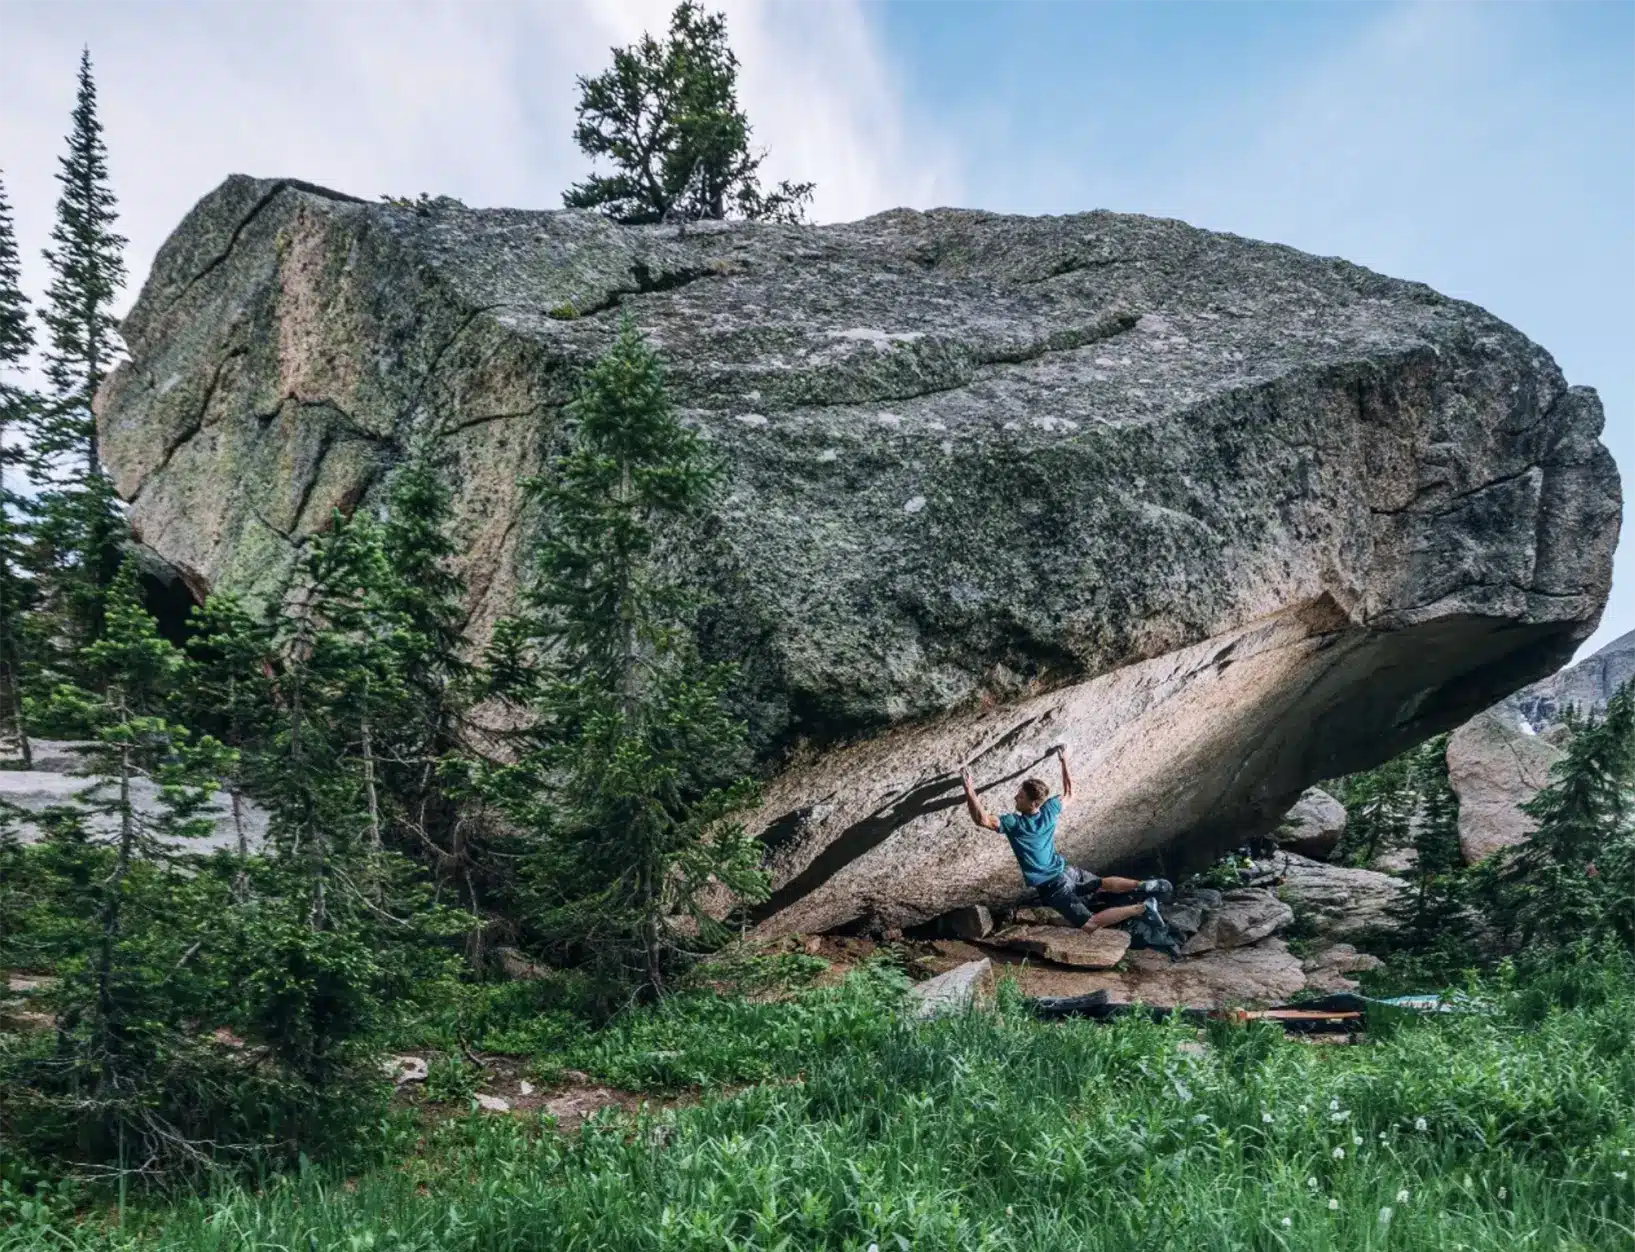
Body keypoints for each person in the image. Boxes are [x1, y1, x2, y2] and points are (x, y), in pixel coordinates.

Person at [960, 744, 1169, 934]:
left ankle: (1141, 908)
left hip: (1053, 886)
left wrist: (970, 790)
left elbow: (982, 819)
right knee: (1101, 883)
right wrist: (1064, 760)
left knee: (1090, 924)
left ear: (1033, 804)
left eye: (1020, 796)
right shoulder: (1049, 809)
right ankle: (1142, 885)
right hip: (1067, 872)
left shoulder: (1016, 824)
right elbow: (1070, 793)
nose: (1016, 797)